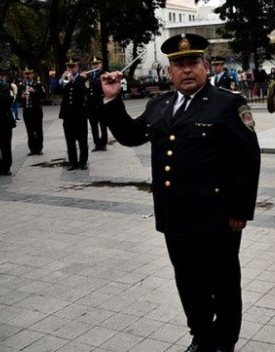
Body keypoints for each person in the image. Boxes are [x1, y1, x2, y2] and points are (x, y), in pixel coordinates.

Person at [99, 33, 261, 352]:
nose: (186, 70)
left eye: (192, 63)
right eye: (179, 65)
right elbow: (132, 136)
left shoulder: (228, 104)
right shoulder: (159, 105)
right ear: (170, 72)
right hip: (175, 214)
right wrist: (112, 99)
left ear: (205, 67)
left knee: (224, 283)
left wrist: (240, 211)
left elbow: (248, 160)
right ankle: (200, 335)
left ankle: (224, 342)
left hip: (217, 217)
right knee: (188, 282)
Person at [56, 54, 89, 170]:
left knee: (82, 140)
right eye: (68, 67)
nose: (70, 69)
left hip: (80, 114)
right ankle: (73, 162)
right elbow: (56, 91)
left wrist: (73, 81)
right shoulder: (64, 79)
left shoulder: (83, 78)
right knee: (70, 140)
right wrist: (61, 81)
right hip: (68, 114)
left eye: (72, 66)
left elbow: (84, 91)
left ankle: (83, 162)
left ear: (77, 67)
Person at [18, 67, 45, 155]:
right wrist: (21, 96)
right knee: (29, 131)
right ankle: (32, 149)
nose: (28, 76)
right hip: (27, 111)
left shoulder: (38, 84)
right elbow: (17, 98)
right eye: (26, 74)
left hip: (36, 111)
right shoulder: (21, 85)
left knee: (38, 130)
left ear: (33, 75)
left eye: (29, 74)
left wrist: (34, 91)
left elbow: (43, 96)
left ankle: (39, 148)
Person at [86, 57, 108, 152]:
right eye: (93, 64)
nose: (95, 65)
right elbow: (86, 87)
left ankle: (103, 144)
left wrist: (90, 81)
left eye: (97, 64)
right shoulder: (89, 74)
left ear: (101, 64)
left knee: (103, 125)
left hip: (101, 103)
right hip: (91, 104)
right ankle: (97, 144)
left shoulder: (104, 74)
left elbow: (98, 84)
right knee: (93, 125)